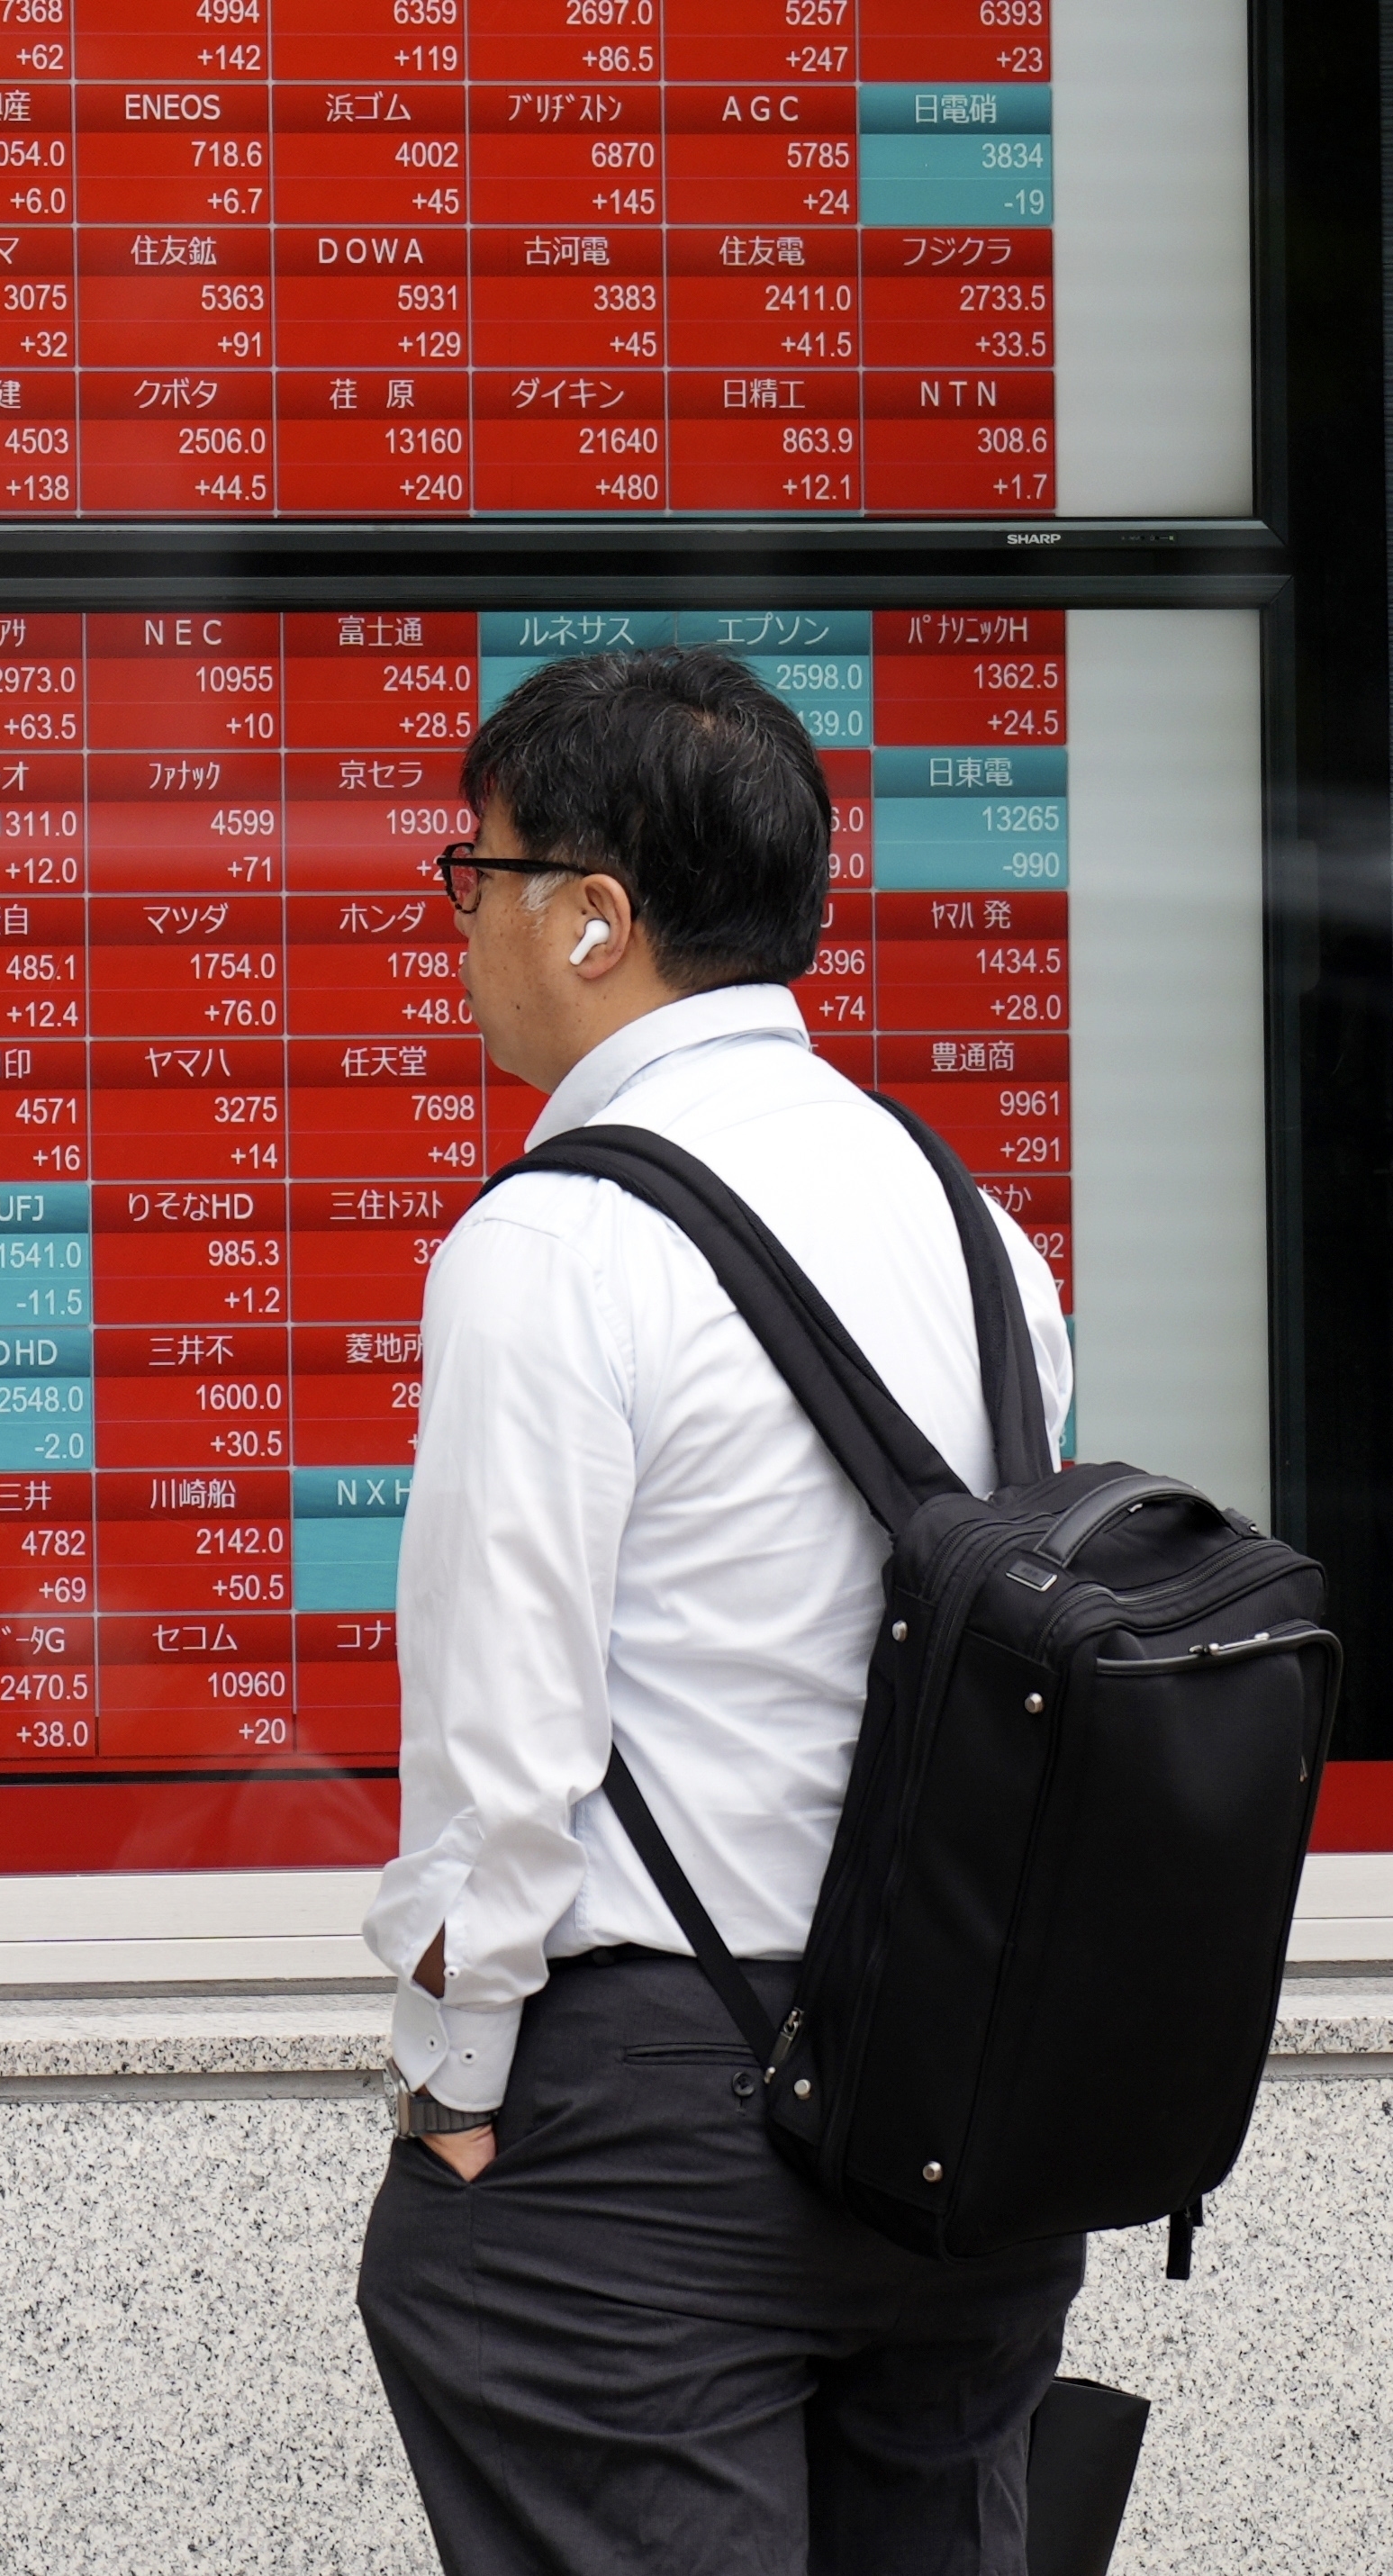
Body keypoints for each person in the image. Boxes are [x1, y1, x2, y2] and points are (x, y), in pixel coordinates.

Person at [354, 646, 1083, 2575]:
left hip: (659, 2113)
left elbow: (505, 1742)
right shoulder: (969, 1221)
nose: (457, 921)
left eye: (474, 871)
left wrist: (448, 2092)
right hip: (953, 2116)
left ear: (593, 920)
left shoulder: (557, 1235)